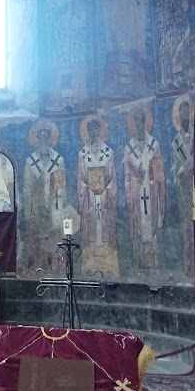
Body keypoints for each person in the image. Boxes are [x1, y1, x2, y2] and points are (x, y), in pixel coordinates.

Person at [76, 114, 118, 277]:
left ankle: (109, 268)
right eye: (89, 129)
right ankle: (90, 267)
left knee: (106, 232)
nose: (93, 132)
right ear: (87, 132)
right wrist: (90, 191)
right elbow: (80, 178)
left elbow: (113, 177)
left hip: (105, 198)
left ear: (100, 131)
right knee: (91, 232)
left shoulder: (109, 153)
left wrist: (105, 191)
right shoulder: (82, 154)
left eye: (95, 129)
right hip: (90, 199)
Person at [123, 106, 165, 269]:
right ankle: (140, 266)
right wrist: (135, 182)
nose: (139, 124)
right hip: (137, 193)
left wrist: (151, 181)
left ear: (145, 123)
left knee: (152, 228)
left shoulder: (154, 145)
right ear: (133, 124)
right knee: (139, 228)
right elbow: (127, 176)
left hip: (151, 192)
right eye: (136, 121)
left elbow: (160, 174)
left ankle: (155, 266)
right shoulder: (128, 149)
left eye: (141, 121)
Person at [22, 121, 66, 270]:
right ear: (36, 139)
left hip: (54, 203)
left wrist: (58, 202)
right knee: (36, 237)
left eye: (46, 136)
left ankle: (55, 264)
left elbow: (61, 185)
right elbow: (27, 186)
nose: (43, 140)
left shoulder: (58, 160)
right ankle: (38, 264)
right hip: (36, 205)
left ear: (50, 139)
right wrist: (29, 210)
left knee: (54, 234)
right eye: (40, 137)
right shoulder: (31, 161)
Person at [170, 97, 195, 278]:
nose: (184, 115)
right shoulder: (175, 143)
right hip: (184, 190)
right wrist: (182, 171)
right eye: (181, 112)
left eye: (187, 111)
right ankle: (189, 267)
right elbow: (174, 166)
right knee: (187, 227)